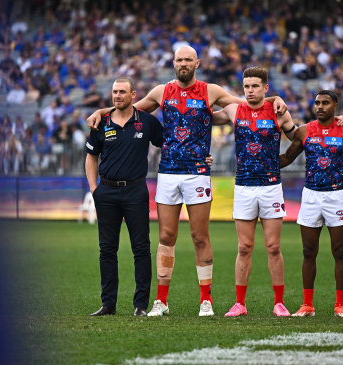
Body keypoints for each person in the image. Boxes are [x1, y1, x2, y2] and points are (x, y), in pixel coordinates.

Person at [87, 46, 287, 317]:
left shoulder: (211, 91)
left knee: (199, 236)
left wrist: (273, 98)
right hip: (168, 172)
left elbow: (246, 102)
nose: (183, 64)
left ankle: (206, 300)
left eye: (188, 60)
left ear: (197, 63)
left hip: (197, 174)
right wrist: (102, 111)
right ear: (173, 63)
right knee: (166, 237)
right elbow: (129, 108)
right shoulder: (161, 91)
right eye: (179, 60)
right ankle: (161, 301)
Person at [279, 90, 343, 317]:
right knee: (308, 251)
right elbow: (286, 159)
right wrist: (259, 161)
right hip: (311, 196)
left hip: (336, 196)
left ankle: (340, 305)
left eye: (325, 103)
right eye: (317, 103)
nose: (320, 106)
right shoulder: (305, 131)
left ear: (335, 106)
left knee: (339, 251)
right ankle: (307, 305)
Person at [211, 66, 297, 317]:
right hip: (244, 187)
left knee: (273, 247)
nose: (250, 91)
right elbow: (204, 118)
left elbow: (299, 138)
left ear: (265, 88)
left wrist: (286, 159)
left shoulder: (278, 111)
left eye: (255, 86)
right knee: (244, 247)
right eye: (246, 86)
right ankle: (240, 303)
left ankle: (279, 302)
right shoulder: (234, 109)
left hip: (271, 186)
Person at [85, 77, 163, 317]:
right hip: (106, 191)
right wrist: (94, 189)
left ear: (133, 95)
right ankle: (108, 304)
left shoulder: (147, 122)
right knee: (107, 249)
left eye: (122, 92)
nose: (117, 96)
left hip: (135, 191)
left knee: (141, 248)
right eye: (114, 92)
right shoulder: (101, 123)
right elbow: (91, 157)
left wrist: (202, 158)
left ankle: (140, 305)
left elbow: (169, 145)